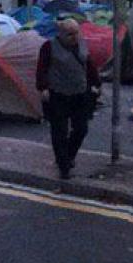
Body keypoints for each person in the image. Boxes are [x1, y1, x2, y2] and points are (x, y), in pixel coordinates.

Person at [35, 17, 100, 178]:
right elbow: (41, 68)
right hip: (58, 94)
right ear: (61, 34)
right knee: (59, 131)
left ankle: (68, 156)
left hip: (80, 93)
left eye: (76, 33)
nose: (74, 37)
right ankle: (63, 165)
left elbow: (89, 65)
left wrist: (96, 83)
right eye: (70, 34)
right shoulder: (49, 47)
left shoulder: (82, 45)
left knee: (81, 129)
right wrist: (43, 88)